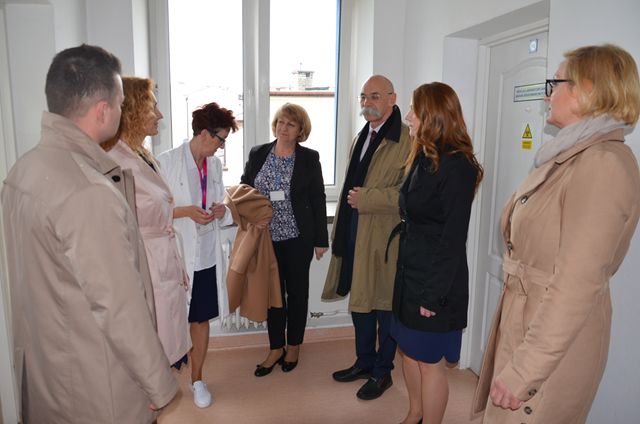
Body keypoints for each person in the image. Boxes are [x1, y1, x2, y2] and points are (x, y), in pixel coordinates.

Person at [1, 44, 178, 423]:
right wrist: (159, 384)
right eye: (120, 103)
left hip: (46, 373)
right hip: (95, 384)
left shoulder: (21, 172)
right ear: (102, 110)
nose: (121, 111)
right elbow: (120, 307)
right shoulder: (89, 191)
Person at [473, 44, 640, 424]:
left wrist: (524, 371)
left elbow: (578, 284)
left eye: (556, 83)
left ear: (588, 90)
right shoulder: (569, 156)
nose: (548, 94)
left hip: (550, 342)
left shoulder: (603, 164)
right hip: (529, 320)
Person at [391, 82, 483, 424]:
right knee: (408, 352)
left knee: (429, 362)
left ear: (433, 116)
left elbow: (452, 240)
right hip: (409, 273)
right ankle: (415, 413)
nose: (408, 117)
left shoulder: (458, 166)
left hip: (435, 282)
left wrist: (432, 295)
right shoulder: (424, 155)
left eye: (414, 111)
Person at [322, 75, 411, 400]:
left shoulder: (407, 140)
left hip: (384, 239)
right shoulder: (362, 136)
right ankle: (364, 362)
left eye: (374, 96)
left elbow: (409, 195)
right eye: (363, 97)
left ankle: (382, 372)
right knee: (361, 303)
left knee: (384, 306)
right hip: (355, 231)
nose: (366, 103)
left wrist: (368, 199)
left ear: (392, 98)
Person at [103, 77, 191, 369]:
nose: (160, 115)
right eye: (153, 107)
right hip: (144, 268)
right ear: (132, 110)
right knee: (150, 358)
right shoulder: (113, 162)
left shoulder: (142, 154)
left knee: (167, 352)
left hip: (161, 260)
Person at [157, 102, 238, 408]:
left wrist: (221, 211)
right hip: (176, 255)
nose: (221, 146)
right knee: (169, 320)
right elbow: (151, 213)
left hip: (205, 257)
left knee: (201, 320)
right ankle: (160, 380)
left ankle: (197, 379)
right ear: (204, 133)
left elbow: (222, 205)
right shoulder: (166, 163)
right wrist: (186, 212)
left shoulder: (213, 166)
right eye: (220, 139)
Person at [240, 103, 329, 377]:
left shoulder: (309, 158)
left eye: (290, 124)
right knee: (273, 295)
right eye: (280, 121)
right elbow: (244, 189)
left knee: (298, 293)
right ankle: (275, 347)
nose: (283, 127)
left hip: (297, 237)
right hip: (266, 238)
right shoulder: (258, 153)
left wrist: (321, 240)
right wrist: (250, 216)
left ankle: (294, 346)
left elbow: (318, 198)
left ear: (301, 130)